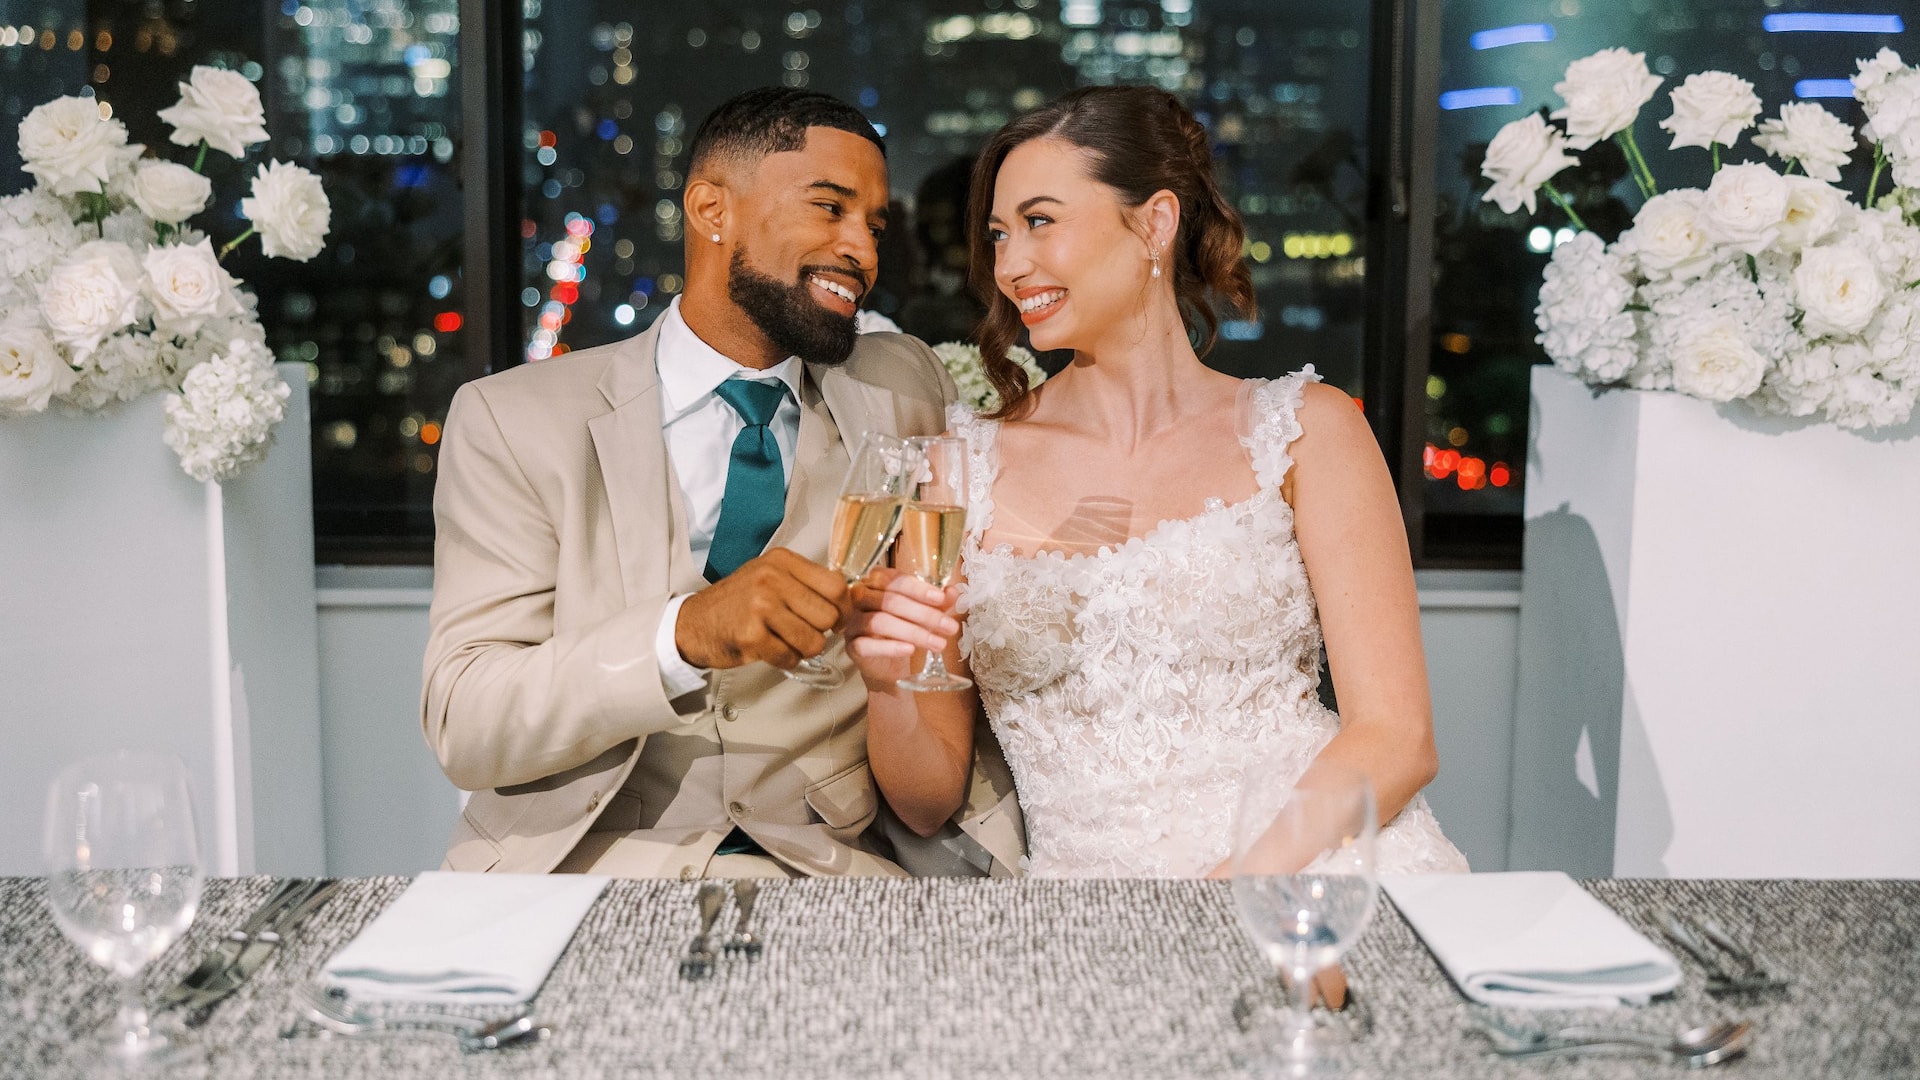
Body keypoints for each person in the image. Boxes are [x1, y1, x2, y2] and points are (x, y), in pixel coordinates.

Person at [848, 86, 1467, 877]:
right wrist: (889, 686)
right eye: (998, 236)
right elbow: (926, 798)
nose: (1010, 265)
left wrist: (1238, 891)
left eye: (1040, 223)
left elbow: (1398, 736)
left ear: (1155, 224)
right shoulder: (958, 471)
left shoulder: (1308, 431)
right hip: (1098, 908)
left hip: (1321, 866)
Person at [422, 87, 1023, 880]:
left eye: (874, 225)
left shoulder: (903, 385)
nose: (864, 253)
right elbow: (466, 722)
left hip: (832, 871)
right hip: (584, 871)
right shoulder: (515, 420)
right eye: (830, 208)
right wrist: (683, 636)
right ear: (712, 209)